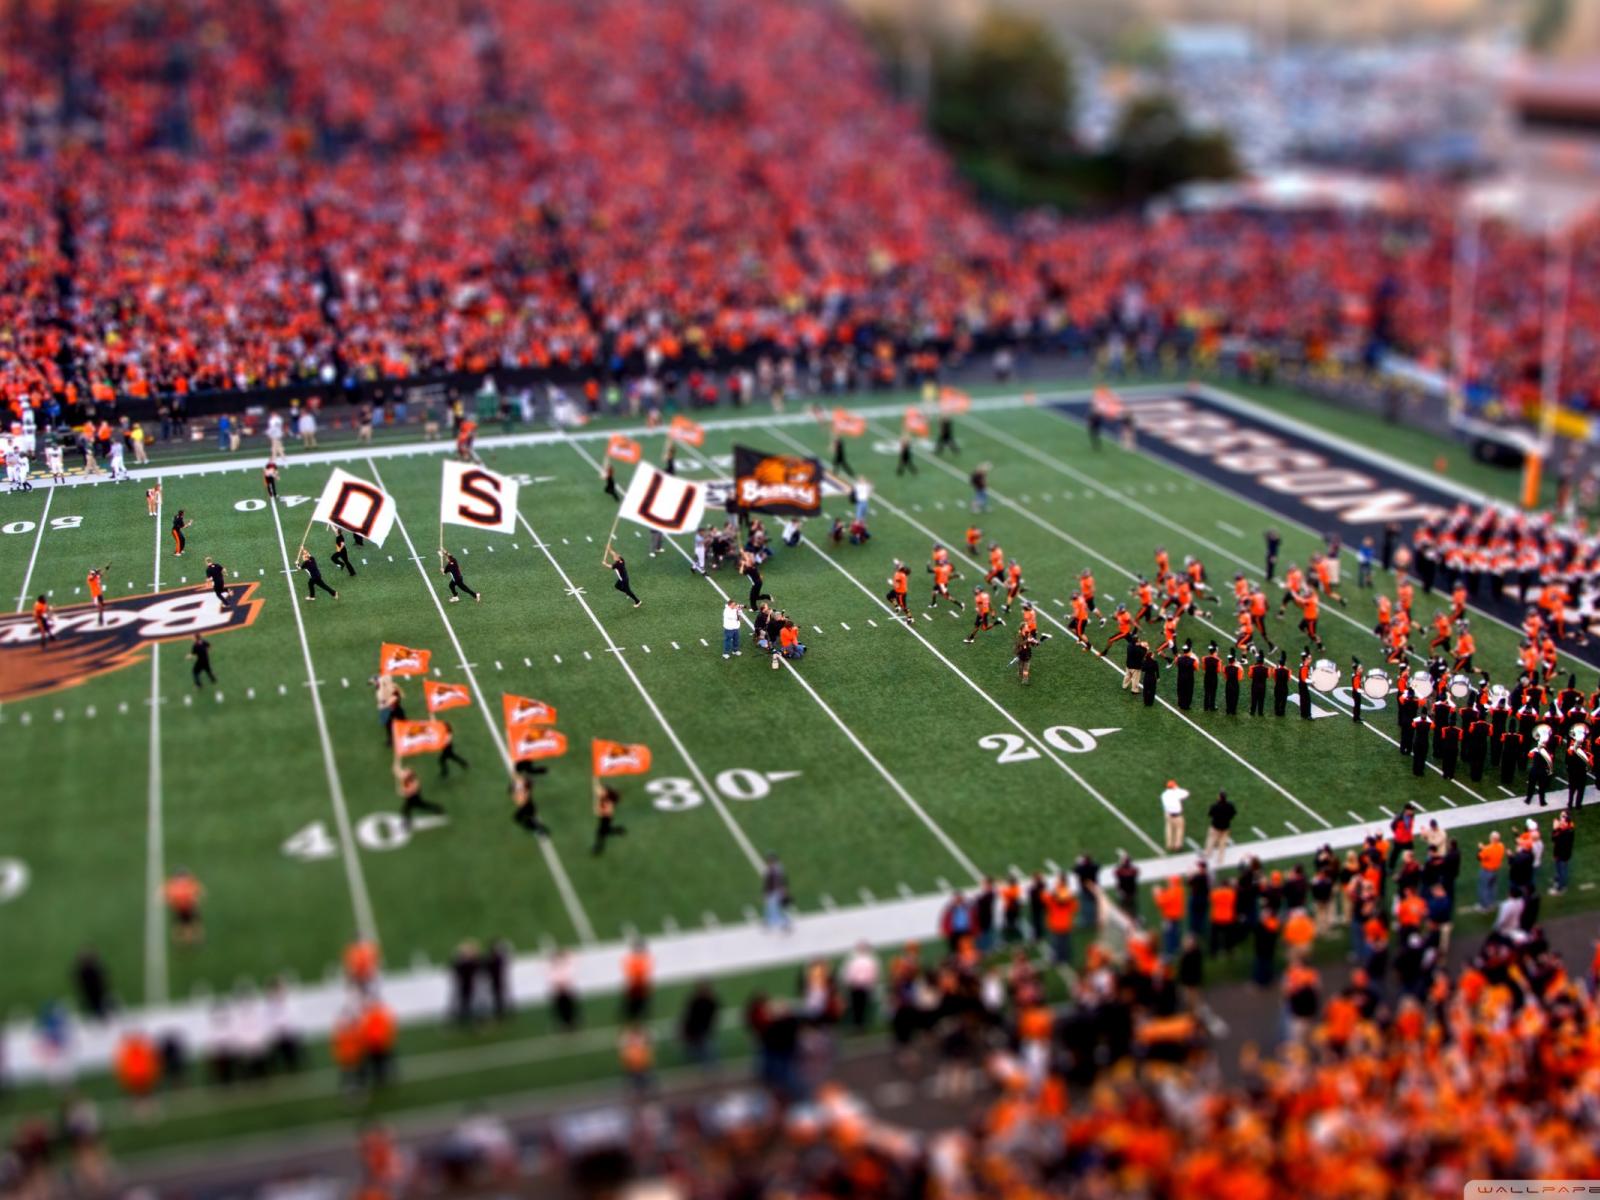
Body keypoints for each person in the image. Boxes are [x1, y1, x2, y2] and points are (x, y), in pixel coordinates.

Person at [394, 761, 445, 827]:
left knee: (409, 808)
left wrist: (402, 792)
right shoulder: (407, 778)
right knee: (412, 808)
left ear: (410, 775)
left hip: (414, 797)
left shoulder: (414, 782)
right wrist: (397, 761)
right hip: (411, 797)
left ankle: (407, 823)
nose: (405, 772)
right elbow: (397, 771)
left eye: (407, 772)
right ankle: (438, 808)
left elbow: (410, 792)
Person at [164, 868, 204, 945]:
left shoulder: (177, 884)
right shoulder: (188, 883)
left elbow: (198, 893)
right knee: (187, 925)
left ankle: (188, 940)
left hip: (186, 907)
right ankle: (188, 940)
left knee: (187, 924)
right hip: (185, 907)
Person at [593, 780, 626, 854]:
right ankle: (620, 830)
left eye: (604, 790)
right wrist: (596, 781)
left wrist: (599, 811)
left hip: (606, 819)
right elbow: (598, 791)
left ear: (607, 793)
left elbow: (607, 812)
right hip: (604, 818)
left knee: (601, 832)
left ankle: (598, 848)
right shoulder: (604, 797)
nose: (602, 791)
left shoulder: (609, 802)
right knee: (606, 831)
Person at [762, 853, 791, 932]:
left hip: (776, 892)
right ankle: (770, 922)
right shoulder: (772, 869)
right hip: (772, 892)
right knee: (771, 908)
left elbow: (781, 880)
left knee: (776, 908)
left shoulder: (777, 870)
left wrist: (784, 890)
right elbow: (767, 882)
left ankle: (784, 924)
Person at [1205, 791, 1236, 862]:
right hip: (1225, 827)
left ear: (1219, 797)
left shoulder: (1215, 806)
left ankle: (1208, 853)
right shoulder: (1230, 805)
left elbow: (1210, 814)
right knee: (1222, 843)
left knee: (1211, 840)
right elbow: (1233, 813)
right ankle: (1220, 859)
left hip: (1215, 826)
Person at [1161, 780, 1189, 852]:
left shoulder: (1164, 794)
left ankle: (1169, 844)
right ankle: (1177, 845)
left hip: (1168, 814)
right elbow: (1186, 793)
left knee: (1169, 828)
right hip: (1176, 815)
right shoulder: (1176, 793)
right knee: (1179, 828)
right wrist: (1177, 788)